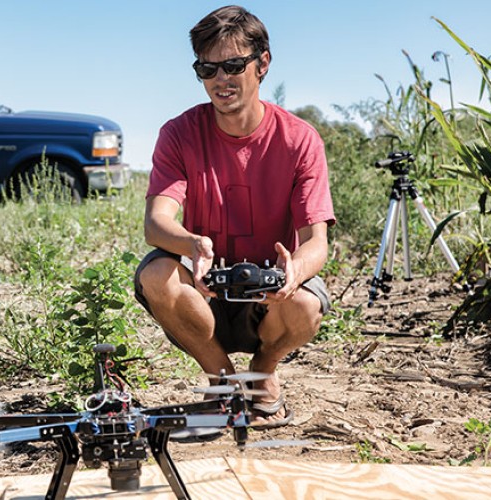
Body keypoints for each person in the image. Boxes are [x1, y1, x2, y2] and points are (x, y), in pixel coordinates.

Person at [133, 5, 335, 429]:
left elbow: (317, 242)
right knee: (156, 276)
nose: (220, 80)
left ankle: (263, 374)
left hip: (270, 299)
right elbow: (156, 222)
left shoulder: (300, 140)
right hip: (206, 294)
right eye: (207, 69)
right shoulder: (179, 133)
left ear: (262, 64)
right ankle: (221, 379)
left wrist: (292, 272)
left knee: (306, 303)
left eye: (232, 65)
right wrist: (192, 245)